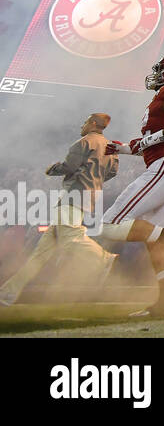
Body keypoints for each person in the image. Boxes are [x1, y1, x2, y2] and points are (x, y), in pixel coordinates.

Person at [98, 53, 164, 318]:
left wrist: (142, 143)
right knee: (155, 241)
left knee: (110, 224)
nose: (157, 74)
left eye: (162, 68)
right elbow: (159, 140)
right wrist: (126, 148)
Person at [0, 114, 119, 306]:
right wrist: (94, 180)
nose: (82, 125)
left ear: (93, 124)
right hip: (91, 195)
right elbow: (112, 172)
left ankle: (103, 258)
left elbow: (69, 166)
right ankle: (8, 293)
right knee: (41, 253)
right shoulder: (111, 147)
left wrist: (51, 169)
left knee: (71, 237)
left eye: (85, 121)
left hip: (74, 194)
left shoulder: (83, 142)